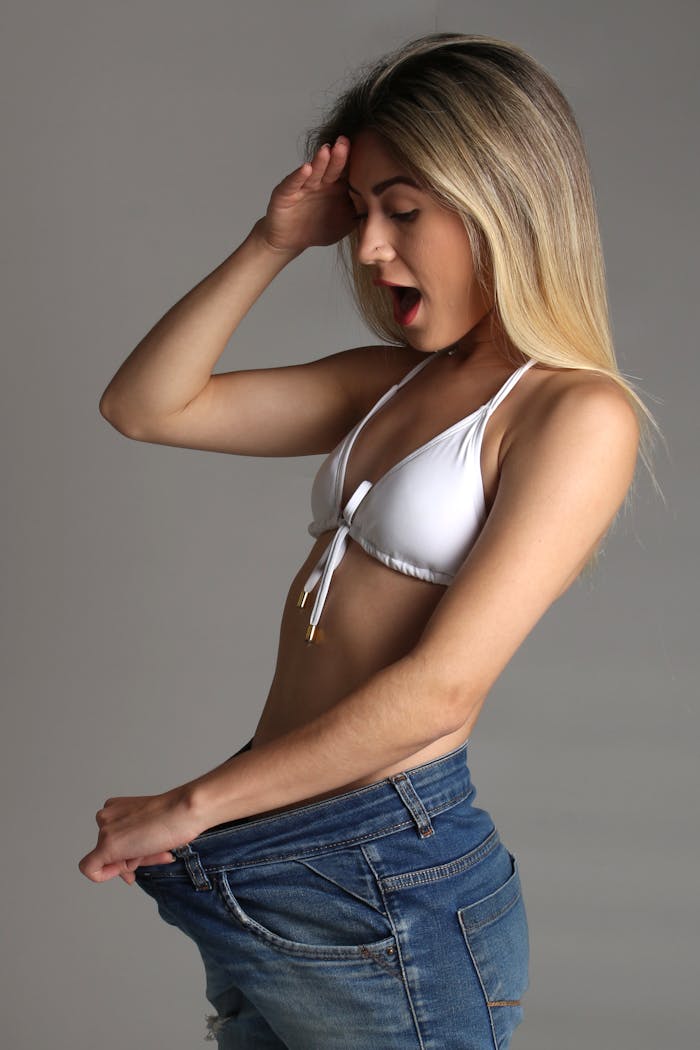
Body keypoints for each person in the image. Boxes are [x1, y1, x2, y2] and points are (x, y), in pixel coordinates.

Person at [78, 32, 659, 1050]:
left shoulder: (574, 415)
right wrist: (271, 239)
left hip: (383, 867)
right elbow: (143, 405)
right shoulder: (385, 381)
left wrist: (191, 804)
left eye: (403, 211)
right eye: (359, 216)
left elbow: (443, 689)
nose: (367, 250)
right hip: (281, 834)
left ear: (502, 200)